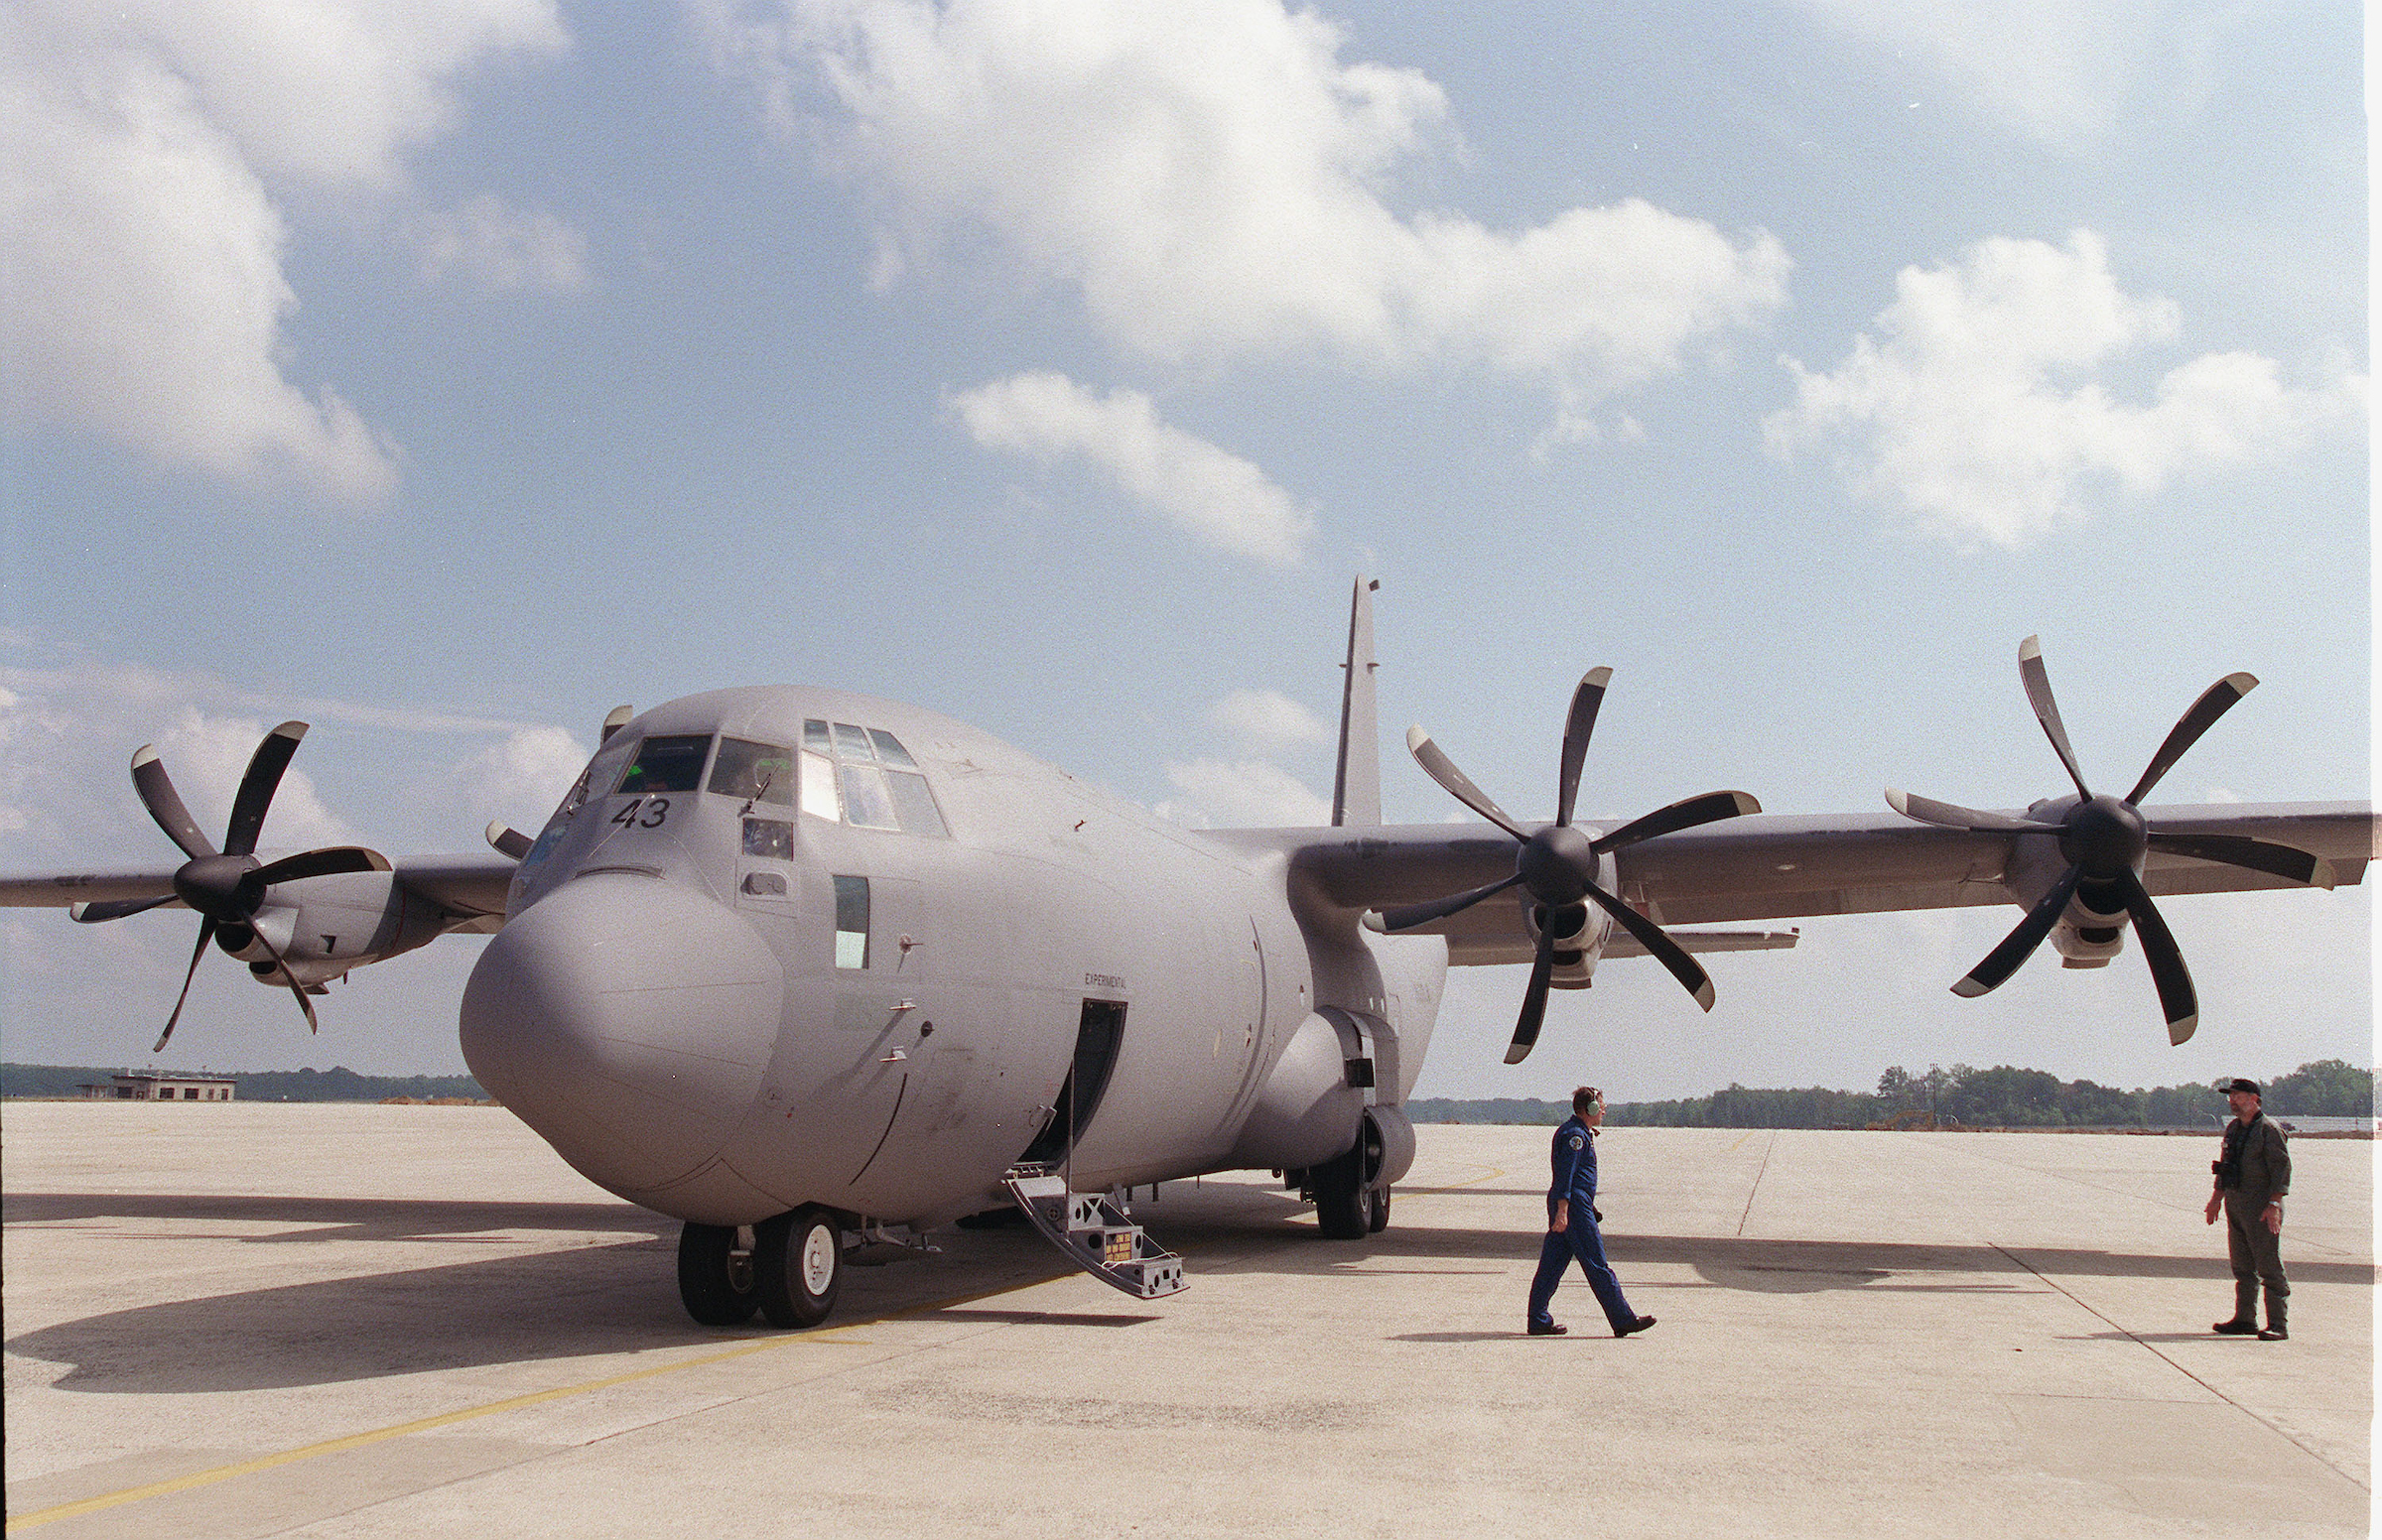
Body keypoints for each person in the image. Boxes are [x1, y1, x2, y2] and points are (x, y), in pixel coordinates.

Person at [1526, 1086, 1655, 1339]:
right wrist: (1564, 1212)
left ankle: (1538, 1319)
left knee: (1550, 1267)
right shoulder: (1576, 1136)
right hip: (1573, 1207)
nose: (1604, 1111)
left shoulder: (1576, 1132)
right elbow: (1566, 1176)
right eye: (1601, 1106)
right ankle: (1623, 1319)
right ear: (1591, 1109)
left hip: (1574, 1204)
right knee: (1597, 1264)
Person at [2203, 1077, 2291, 1341]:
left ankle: (2278, 1324)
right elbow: (2225, 1165)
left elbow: (2282, 1170)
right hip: (2236, 1202)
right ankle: (2245, 1319)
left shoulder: (2268, 1130)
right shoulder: (2233, 1129)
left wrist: (2274, 1204)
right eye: (2230, 1096)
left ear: (2254, 1099)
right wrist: (2216, 1198)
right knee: (2242, 1266)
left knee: (2268, 1266)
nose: (2232, 1100)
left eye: (2237, 1095)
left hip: (2262, 1206)